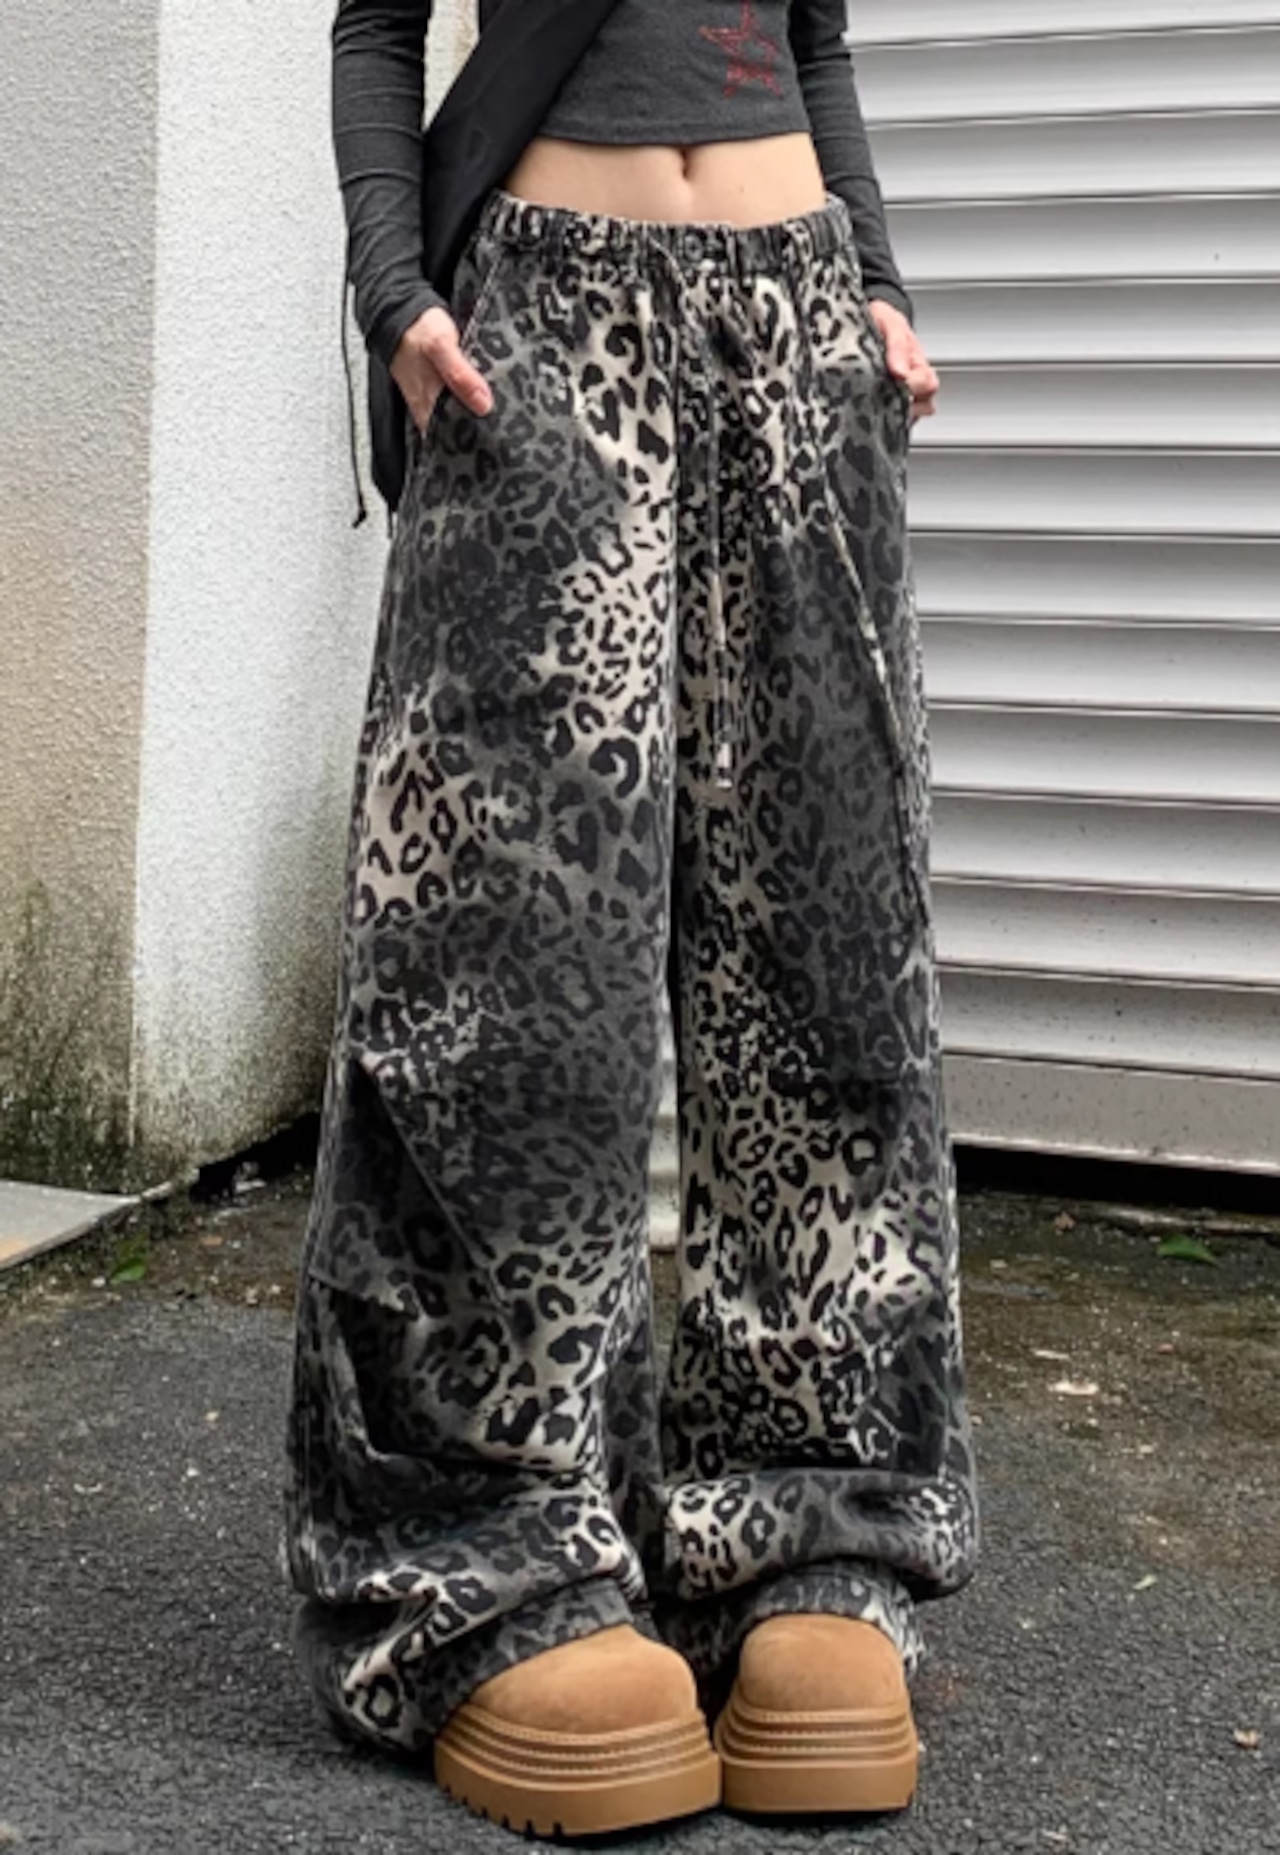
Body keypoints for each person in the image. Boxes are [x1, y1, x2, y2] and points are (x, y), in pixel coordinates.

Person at [283, 0, 978, 1837]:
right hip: (540, 330)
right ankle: (489, 1544)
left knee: (825, 947)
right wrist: (393, 293)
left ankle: (810, 1523)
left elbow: (816, 41)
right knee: (507, 975)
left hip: (795, 320)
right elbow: (374, 29)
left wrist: (876, 279)